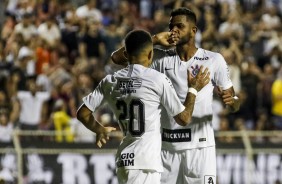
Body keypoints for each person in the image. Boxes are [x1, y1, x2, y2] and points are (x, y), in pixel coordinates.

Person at [111, 7, 240, 184]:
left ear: (193, 31)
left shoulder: (214, 60)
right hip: (166, 148)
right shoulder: (158, 58)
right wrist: (154, 39)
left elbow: (234, 101)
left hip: (200, 148)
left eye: (180, 26)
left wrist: (231, 102)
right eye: (171, 26)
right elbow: (117, 58)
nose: (174, 31)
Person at [77, 29, 210, 184]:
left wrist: (99, 129)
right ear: (150, 55)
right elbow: (184, 118)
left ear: (126, 55)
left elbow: (83, 114)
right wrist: (193, 89)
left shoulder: (110, 81)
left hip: (124, 161)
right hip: (145, 163)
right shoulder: (157, 79)